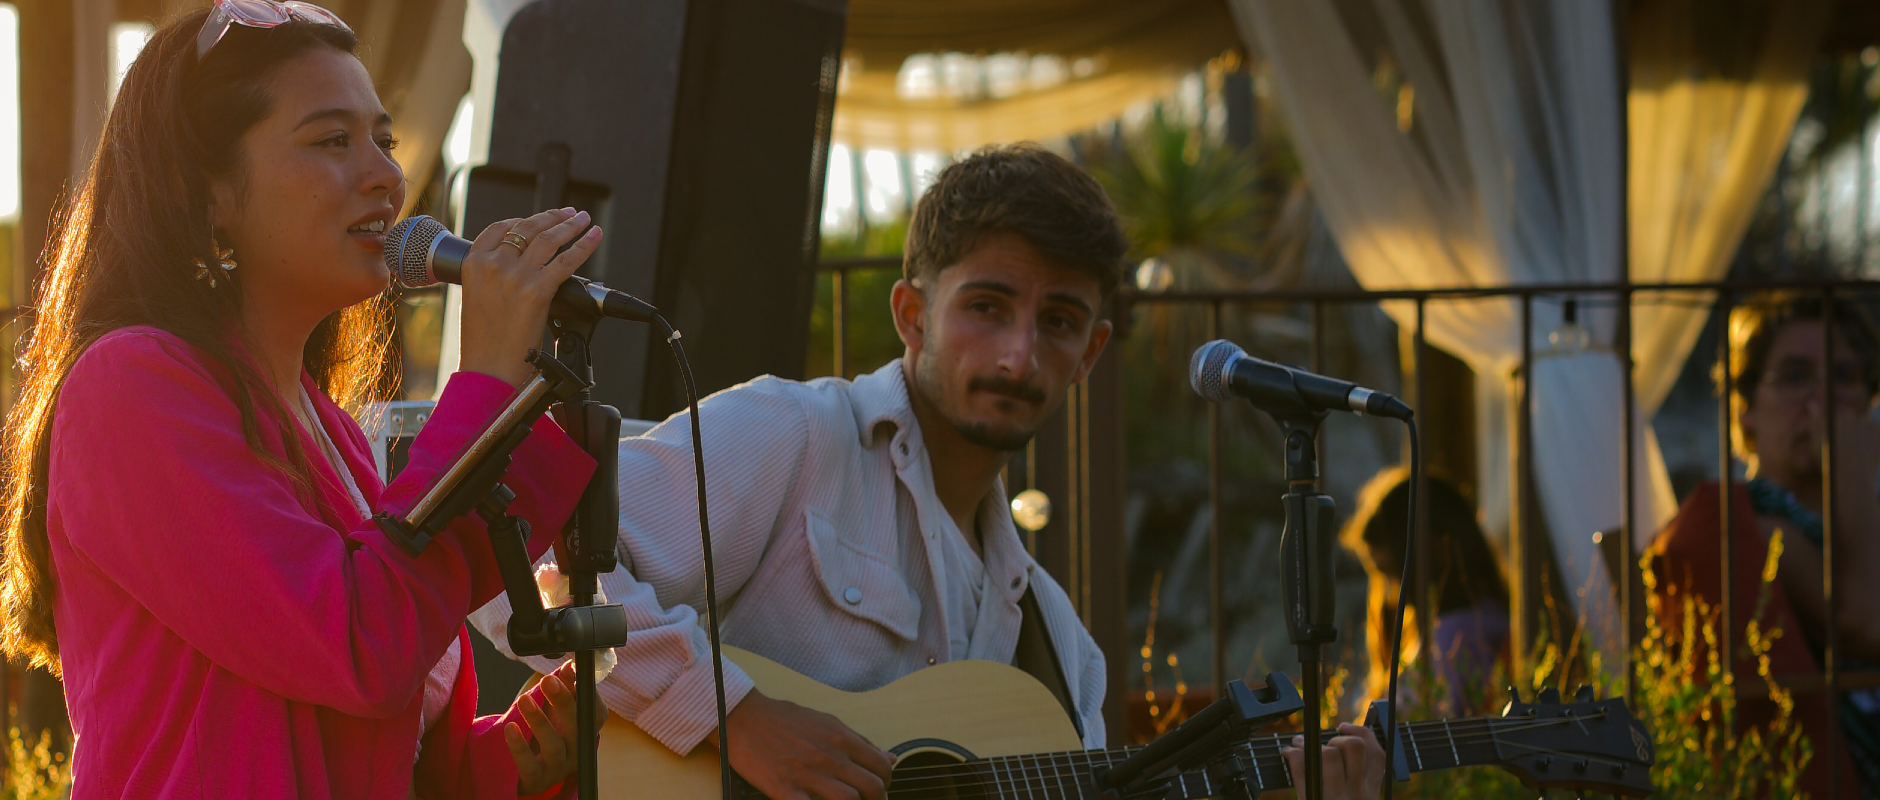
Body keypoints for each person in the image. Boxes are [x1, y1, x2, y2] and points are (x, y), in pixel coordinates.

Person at [478, 143, 1384, 799]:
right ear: (912, 314)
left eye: (1060, 322)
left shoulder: (1062, 653)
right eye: (988, 306)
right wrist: (734, 716)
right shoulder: (794, 436)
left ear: (1093, 350)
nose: (1021, 355)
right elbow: (519, 567)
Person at [0, 3, 606, 796]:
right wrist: (481, 385)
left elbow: (371, 750)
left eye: (383, 139)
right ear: (205, 194)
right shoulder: (129, 389)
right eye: (331, 141)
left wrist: (499, 764)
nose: (386, 174)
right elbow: (355, 644)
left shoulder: (337, 439)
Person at [1649, 292, 1880, 799]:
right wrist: (1851, 465)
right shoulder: (1749, 523)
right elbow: (1866, 622)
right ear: (1745, 408)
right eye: (1797, 377)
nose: (1824, 400)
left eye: (1845, 376)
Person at [1340, 468, 1511, 715]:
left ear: (1431, 555)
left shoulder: (1452, 638)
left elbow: (1414, 730)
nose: (1389, 595)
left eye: (1391, 576)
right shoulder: (1482, 622)